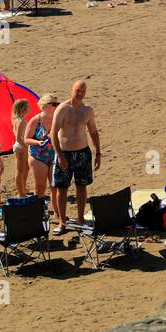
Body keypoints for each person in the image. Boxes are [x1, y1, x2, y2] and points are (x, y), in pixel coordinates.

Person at [50, 80, 101, 233]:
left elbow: (93, 132)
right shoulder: (63, 109)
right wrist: (60, 155)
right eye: (78, 90)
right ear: (71, 90)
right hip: (64, 152)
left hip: (82, 152)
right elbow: (53, 133)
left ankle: (80, 218)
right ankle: (62, 222)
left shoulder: (87, 110)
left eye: (83, 91)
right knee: (62, 188)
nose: (80, 93)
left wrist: (98, 153)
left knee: (81, 185)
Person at [24, 93, 60, 206]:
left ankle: (57, 212)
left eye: (57, 104)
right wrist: (37, 142)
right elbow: (26, 139)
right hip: (38, 156)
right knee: (40, 187)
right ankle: (38, 212)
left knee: (55, 186)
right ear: (44, 106)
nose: (56, 106)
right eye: (54, 104)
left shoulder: (58, 119)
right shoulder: (36, 120)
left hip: (55, 155)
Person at [11, 100, 31, 198]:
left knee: (25, 168)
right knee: (20, 170)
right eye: (28, 107)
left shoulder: (18, 119)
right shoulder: (21, 121)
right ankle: (21, 193)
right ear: (23, 109)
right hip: (21, 147)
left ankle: (23, 188)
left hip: (21, 146)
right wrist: (27, 146)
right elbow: (18, 137)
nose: (30, 108)